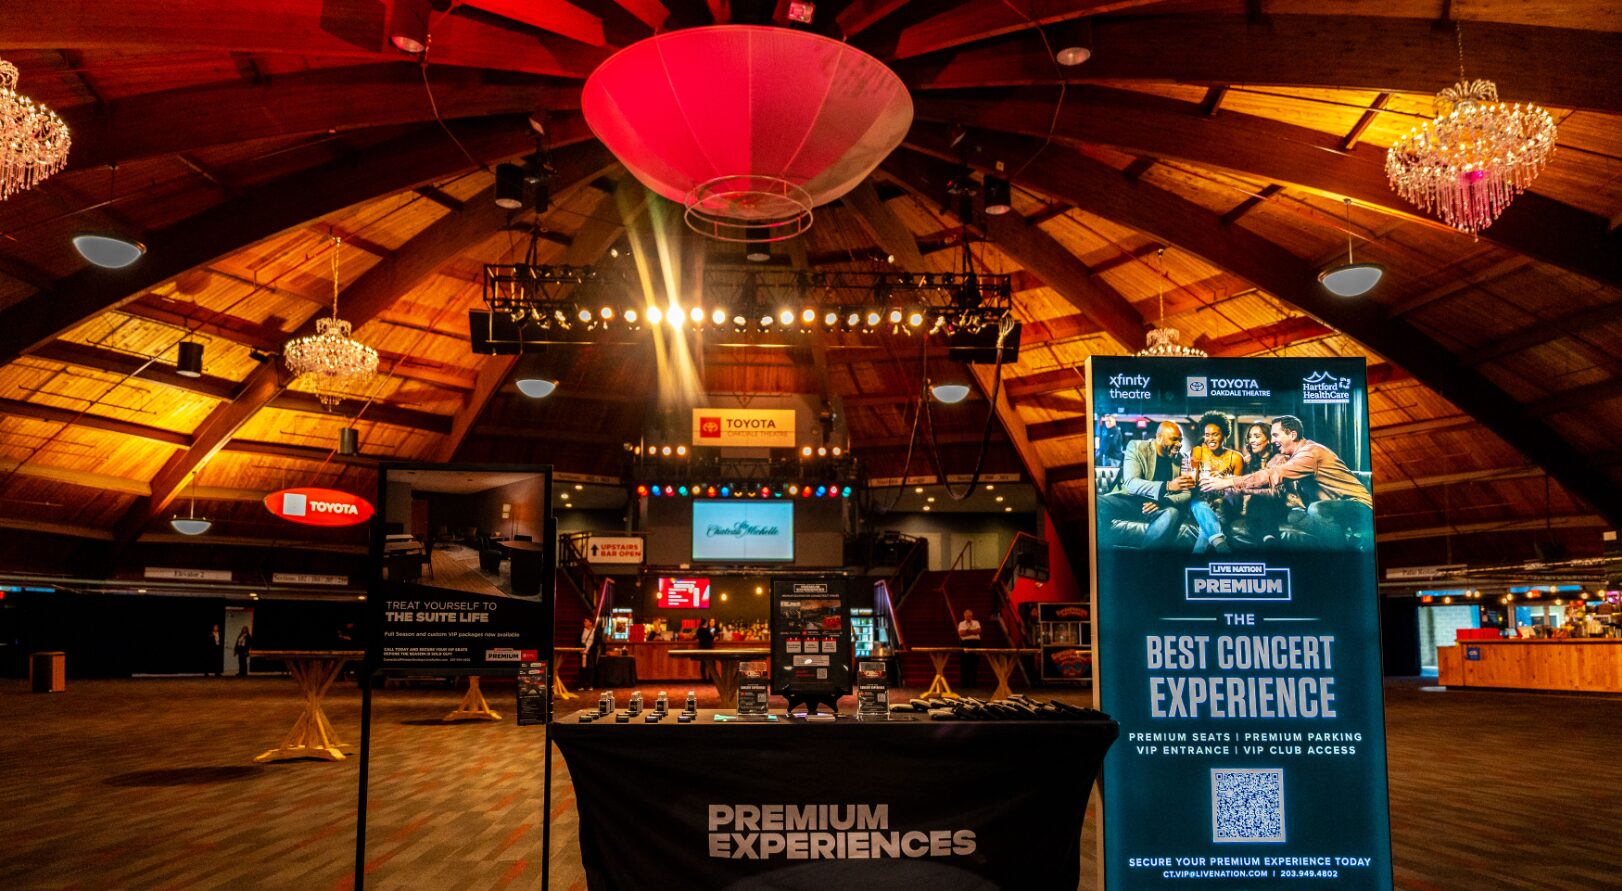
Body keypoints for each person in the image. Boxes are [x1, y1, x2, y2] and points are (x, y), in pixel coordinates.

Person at [1201, 414, 1373, 549]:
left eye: (1276, 435)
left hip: (1359, 506)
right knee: (1294, 515)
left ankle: (1342, 556)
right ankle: (1346, 539)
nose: (1273, 441)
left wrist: (1227, 482)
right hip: (1333, 507)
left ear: (1293, 434)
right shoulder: (1296, 455)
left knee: (1316, 509)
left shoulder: (1309, 453)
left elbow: (1274, 475)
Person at [1097, 420, 1195, 549]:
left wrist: (1163, 502)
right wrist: (1168, 486)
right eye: (1174, 439)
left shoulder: (1181, 459)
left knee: (1172, 513)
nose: (1179, 444)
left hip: (1160, 507)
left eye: (1180, 440)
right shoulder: (1137, 447)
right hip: (1131, 501)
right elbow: (1131, 483)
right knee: (1097, 502)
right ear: (1159, 437)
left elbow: (1186, 493)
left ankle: (1144, 557)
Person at [1188, 415, 1244, 554]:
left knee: (1205, 528)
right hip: (1201, 502)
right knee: (1198, 503)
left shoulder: (1236, 458)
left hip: (1225, 504)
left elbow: (1238, 490)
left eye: (1215, 434)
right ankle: (1221, 546)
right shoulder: (1197, 452)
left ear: (1224, 435)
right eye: (1207, 435)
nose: (1210, 439)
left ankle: (1201, 556)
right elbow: (1192, 482)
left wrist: (1220, 496)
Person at [957, 608, 982, 688]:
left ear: (972, 616)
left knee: (974, 663)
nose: (968, 617)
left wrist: (967, 631)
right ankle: (964, 683)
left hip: (975, 644)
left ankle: (973, 683)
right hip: (965, 644)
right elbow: (961, 633)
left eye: (970, 616)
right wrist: (973, 632)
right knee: (964, 663)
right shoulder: (961, 623)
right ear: (964, 616)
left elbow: (978, 631)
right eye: (967, 616)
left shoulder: (976, 622)